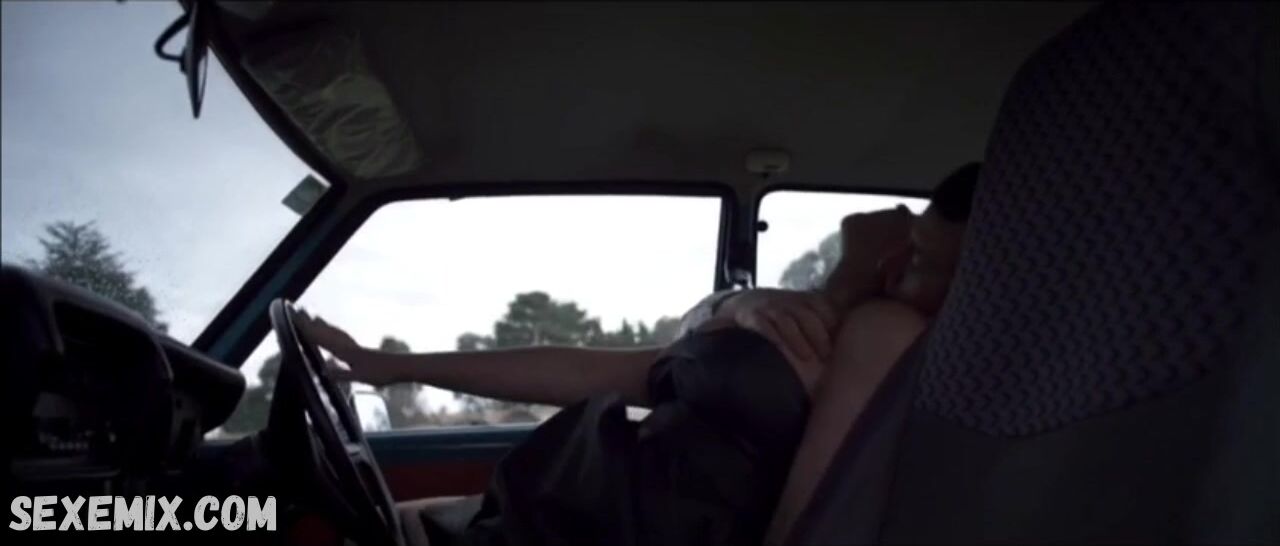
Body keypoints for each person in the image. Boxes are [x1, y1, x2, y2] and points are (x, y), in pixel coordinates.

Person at [299, 162, 981, 545]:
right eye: (903, 248)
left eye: (922, 261)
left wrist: (846, 280)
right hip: (550, 512)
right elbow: (594, 368)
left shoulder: (887, 336)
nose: (893, 266)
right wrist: (395, 366)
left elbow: (813, 520)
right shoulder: (819, 318)